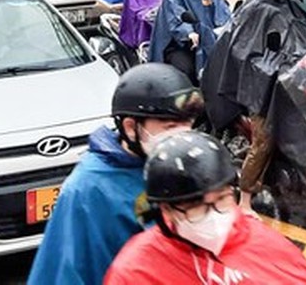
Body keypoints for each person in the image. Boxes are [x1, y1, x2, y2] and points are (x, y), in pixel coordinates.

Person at [28, 64, 203, 285]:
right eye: (170, 128)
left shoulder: (187, 165)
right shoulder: (89, 188)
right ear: (131, 127)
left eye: (187, 127)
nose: (181, 139)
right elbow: (63, 271)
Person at [201, 0, 306, 210]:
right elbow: (246, 52)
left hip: (289, 78)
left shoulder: (287, 0)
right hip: (261, 86)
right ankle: (246, 199)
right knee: (264, 140)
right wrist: (277, 63)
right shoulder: (258, 8)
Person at [103, 131, 306, 285]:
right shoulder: (137, 270)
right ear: (167, 209)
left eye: (221, 199)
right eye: (196, 206)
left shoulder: (264, 243)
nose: (213, 215)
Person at [148, 0, 232, 83]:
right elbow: (177, 17)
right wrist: (189, 32)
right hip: (180, 45)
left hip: (209, 40)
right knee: (186, 71)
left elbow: (223, 12)